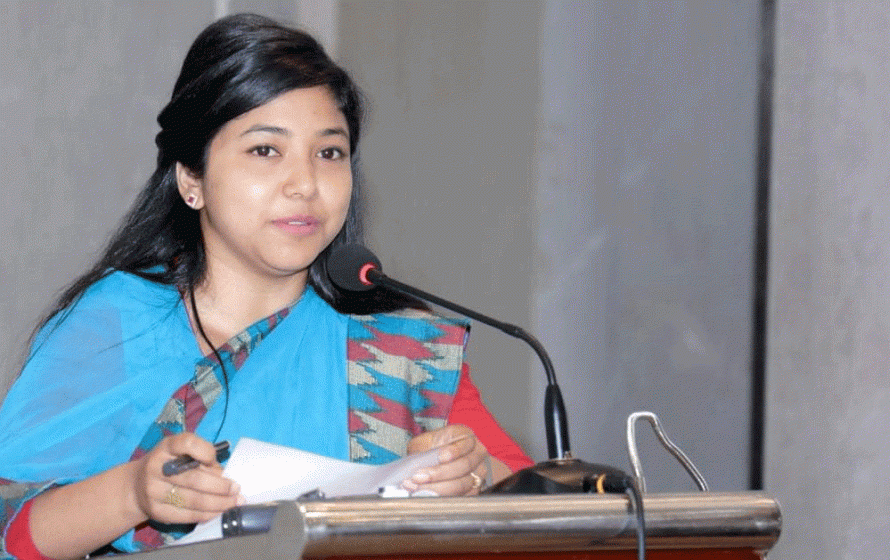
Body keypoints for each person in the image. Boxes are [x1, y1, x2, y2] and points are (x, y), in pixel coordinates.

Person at [0, 13, 532, 559]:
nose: (305, 184)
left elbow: (540, 512)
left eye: (329, 153)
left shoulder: (400, 349)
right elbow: (9, 526)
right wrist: (132, 493)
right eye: (265, 150)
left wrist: (477, 475)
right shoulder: (116, 322)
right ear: (191, 177)